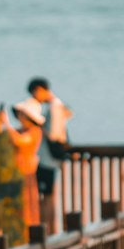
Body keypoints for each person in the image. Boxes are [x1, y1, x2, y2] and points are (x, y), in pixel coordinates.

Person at [27, 77, 73, 233]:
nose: (35, 98)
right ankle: (50, 231)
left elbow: (53, 135)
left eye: (35, 94)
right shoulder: (58, 106)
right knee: (48, 197)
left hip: (47, 160)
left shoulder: (54, 107)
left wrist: (39, 126)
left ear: (40, 90)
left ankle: (47, 232)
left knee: (46, 198)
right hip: (52, 160)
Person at [0, 100, 44, 238]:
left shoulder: (35, 131)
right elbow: (3, 136)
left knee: (26, 206)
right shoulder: (19, 130)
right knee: (15, 205)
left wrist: (6, 123)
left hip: (26, 172)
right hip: (14, 172)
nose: (20, 116)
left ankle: (28, 235)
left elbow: (18, 141)